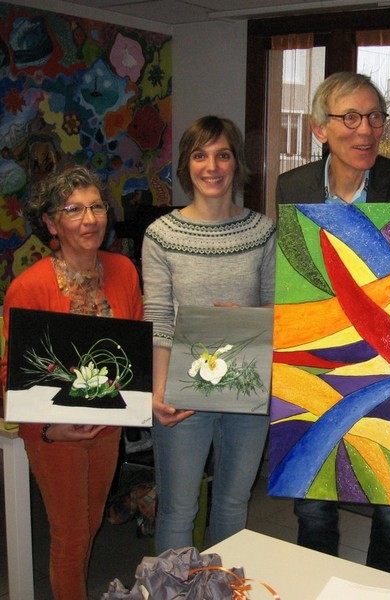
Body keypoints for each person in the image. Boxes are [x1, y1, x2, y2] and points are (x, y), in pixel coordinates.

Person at [275, 71, 390, 574]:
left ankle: (380, 588)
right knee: (312, 500)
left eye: (374, 117)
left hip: (388, 354)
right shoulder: (292, 186)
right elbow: (291, 272)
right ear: (319, 128)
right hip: (318, 353)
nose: (365, 130)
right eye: (350, 117)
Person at [1, 166, 143, 600]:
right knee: (70, 536)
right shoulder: (28, 288)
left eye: (96, 207)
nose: (89, 219)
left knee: (90, 524)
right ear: (51, 223)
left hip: (107, 426)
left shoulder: (124, 271)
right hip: (54, 433)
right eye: (74, 209)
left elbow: (135, 346)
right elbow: (11, 375)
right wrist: (47, 428)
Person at [142, 115, 276, 553]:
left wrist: (248, 316)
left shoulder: (263, 231)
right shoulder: (161, 235)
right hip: (182, 393)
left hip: (247, 390)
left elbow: (281, 311)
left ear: (236, 163)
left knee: (233, 505)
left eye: (223, 155)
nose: (212, 167)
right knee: (178, 510)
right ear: (187, 164)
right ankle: (174, 585)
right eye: (200, 156)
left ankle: (221, 584)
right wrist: (159, 392)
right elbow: (158, 317)